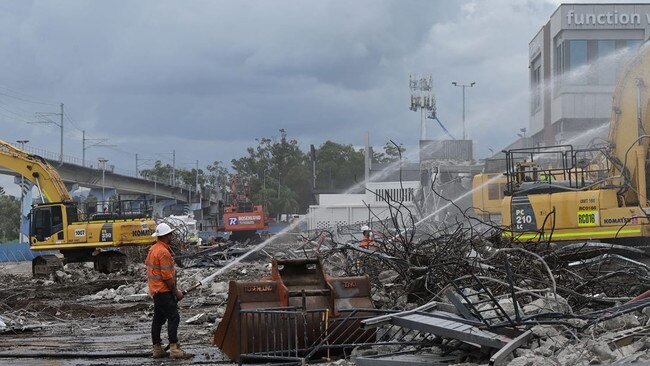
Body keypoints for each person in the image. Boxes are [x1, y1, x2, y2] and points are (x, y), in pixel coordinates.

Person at [145, 223, 193, 359]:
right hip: (163, 291)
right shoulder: (163, 252)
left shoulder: (153, 249)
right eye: (170, 234)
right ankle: (174, 348)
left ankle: (157, 348)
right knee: (174, 317)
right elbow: (166, 276)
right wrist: (176, 292)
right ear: (166, 236)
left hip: (156, 291)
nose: (172, 236)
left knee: (158, 319)